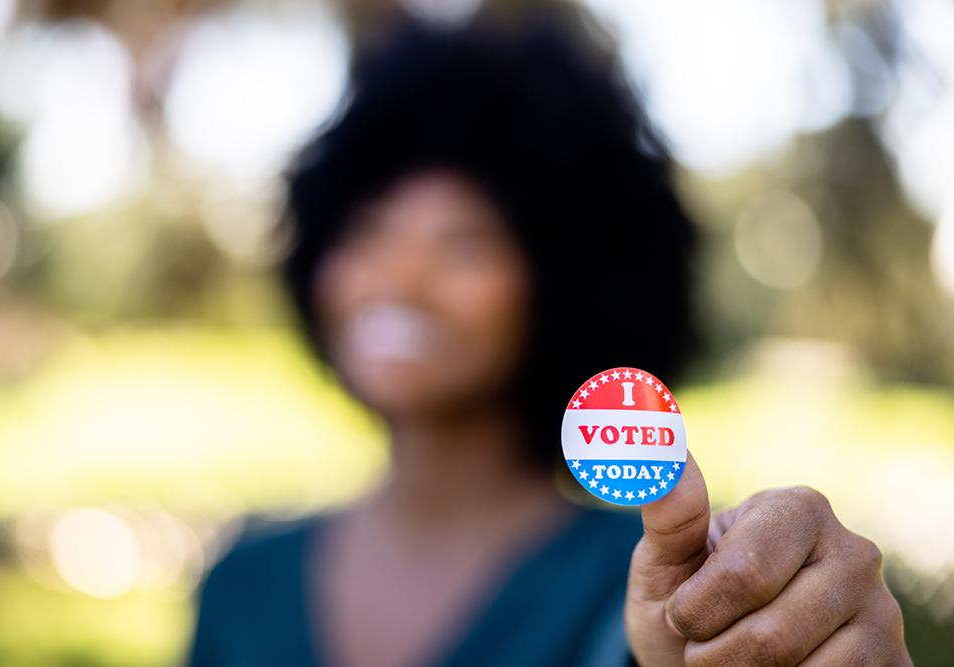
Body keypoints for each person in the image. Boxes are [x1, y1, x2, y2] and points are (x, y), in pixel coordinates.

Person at [188, 15, 911, 667]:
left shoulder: (669, 589)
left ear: (566, 285)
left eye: (463, 244)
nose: (398, 280)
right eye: (368, 232)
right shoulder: (241, 582)